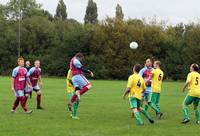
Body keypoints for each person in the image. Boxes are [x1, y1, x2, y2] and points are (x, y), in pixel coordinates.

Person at [68, 53, 94, 118]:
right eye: (81, 59)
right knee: (89, 85)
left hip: (73, 77)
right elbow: (81, 68)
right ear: (79, 57)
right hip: (78, 76)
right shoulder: (76, 60)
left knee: (77, 91)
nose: (81, 60)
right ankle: (78, 94)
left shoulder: (72, 60)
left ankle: (71, 102)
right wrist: (89, 72)